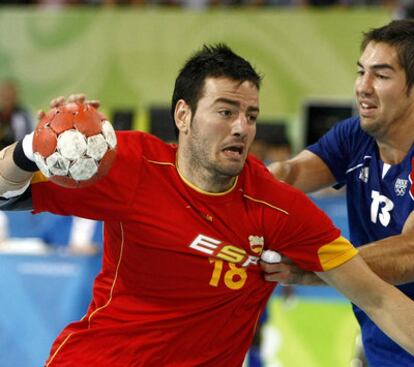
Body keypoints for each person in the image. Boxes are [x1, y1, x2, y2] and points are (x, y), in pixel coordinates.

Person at [1, 44, 414, 367]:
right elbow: (8, 192)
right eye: (225, 111)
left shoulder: (278, 208)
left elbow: (378, 298)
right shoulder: (129, 164)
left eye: (251, 115)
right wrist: (33, 149)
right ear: (183, 115)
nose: (241, 127)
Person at [265, 19, 414, 366]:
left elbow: (409, 254)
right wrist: (227, 188)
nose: (363, 87)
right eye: (361, 72)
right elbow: (292, 172)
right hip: (382, 345)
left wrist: (315, 267)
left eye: (381, 75)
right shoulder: (356, 137)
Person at [0, 79, 33, 151]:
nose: (7, 96)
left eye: (9, 94)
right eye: (4, 94)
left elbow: (28, 138)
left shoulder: (23, 115)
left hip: (19, 153)